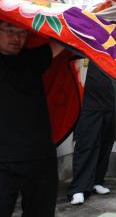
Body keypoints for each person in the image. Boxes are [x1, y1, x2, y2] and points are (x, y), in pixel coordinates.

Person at [0, 20, 64, 217]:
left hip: (40, 156)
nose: (16, 38)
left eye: (22, 33)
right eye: (9, 30)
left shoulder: (32, 59)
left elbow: (64, 41)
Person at [68, 60, 116, 205]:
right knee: (86, 144)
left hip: (107, 100)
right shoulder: (78, 47)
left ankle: (97, 181)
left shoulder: (102, 46)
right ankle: (78, 188)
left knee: (106, 143)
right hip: (87, 103)